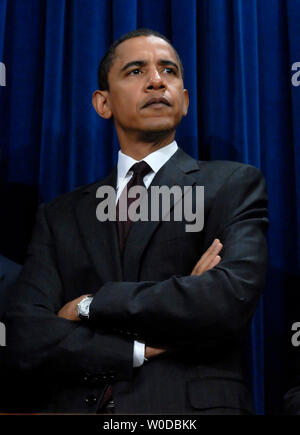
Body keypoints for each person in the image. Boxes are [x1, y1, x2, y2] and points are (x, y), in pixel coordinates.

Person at [4, 28, 268, 414]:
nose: (157, 81)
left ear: (185, 101)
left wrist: (89, 306)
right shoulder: (60, 215)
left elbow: (225, 299)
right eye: (135, 71)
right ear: (103, 103)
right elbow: (28, 336)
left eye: (169, 71)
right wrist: (139, 348)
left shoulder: (233, 185)